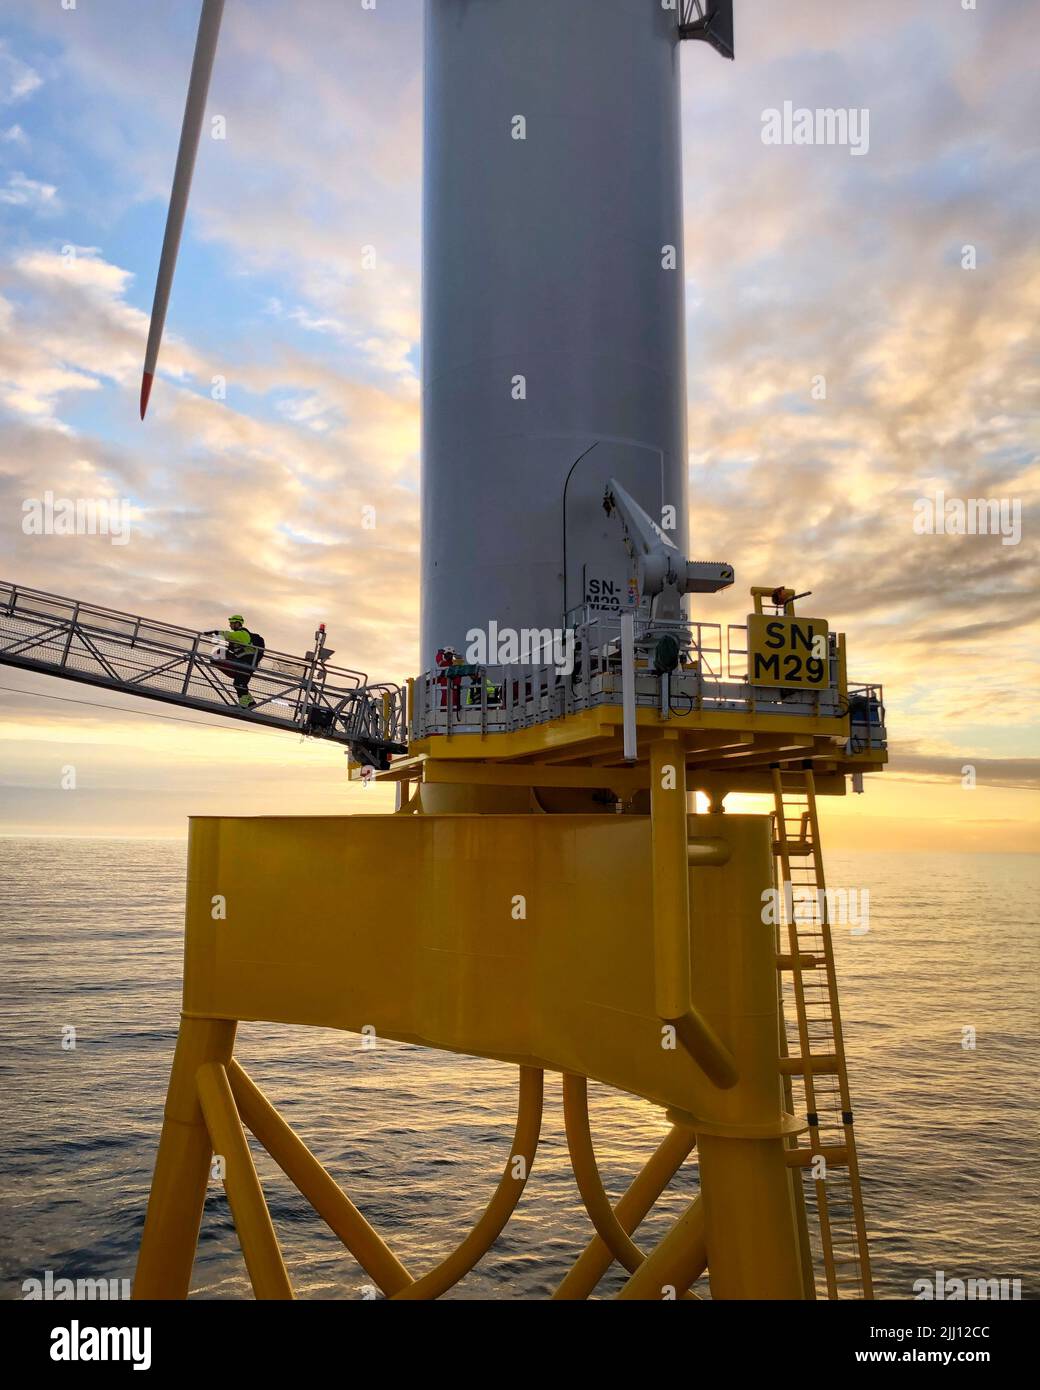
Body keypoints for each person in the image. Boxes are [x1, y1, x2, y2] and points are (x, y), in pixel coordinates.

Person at [204, 615, 259, 708]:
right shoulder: (241, 634)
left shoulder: (243, 634)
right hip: (244, 664)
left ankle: (246, 704)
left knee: (239, 684)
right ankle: (249, 703)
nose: (230, 625)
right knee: (239, 684)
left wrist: (217, 632)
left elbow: (230, 635)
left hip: (245, 665)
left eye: (232, 623)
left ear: (238, 623)